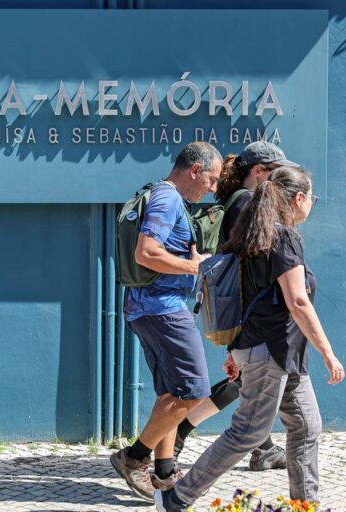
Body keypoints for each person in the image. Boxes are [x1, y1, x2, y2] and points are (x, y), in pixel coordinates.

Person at [155, 166, 346, 512]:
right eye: (311, 199)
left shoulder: (256, 234)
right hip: (271, 352)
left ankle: (305, 506)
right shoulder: (283, 238)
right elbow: (297, 301)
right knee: (248, 433)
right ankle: (175, 498)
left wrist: (235, 350)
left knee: (306, 426)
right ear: (299, 198)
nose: (311, 205)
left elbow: (247, 298)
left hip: (280, 353)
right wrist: (328, 352)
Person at [173, 141, 300, 471]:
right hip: (248, 306)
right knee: (247, 378)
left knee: (248, 379)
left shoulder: (235, 201)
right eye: (276, 173)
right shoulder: (246, 203)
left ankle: (262, 447)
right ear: (259, 172)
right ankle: (180, 431)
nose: (281, 180)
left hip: (238, 303)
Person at [110, 142, 223, 502]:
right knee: (194, 391)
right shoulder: (167, 198)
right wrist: (194, 266)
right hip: (163, 309)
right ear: (195, 170)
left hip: (150, 308)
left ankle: (164, 473)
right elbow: (146, 252)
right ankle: (134, 457)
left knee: (172, 393)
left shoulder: (169, 198)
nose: (213, 188)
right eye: (212, 179)